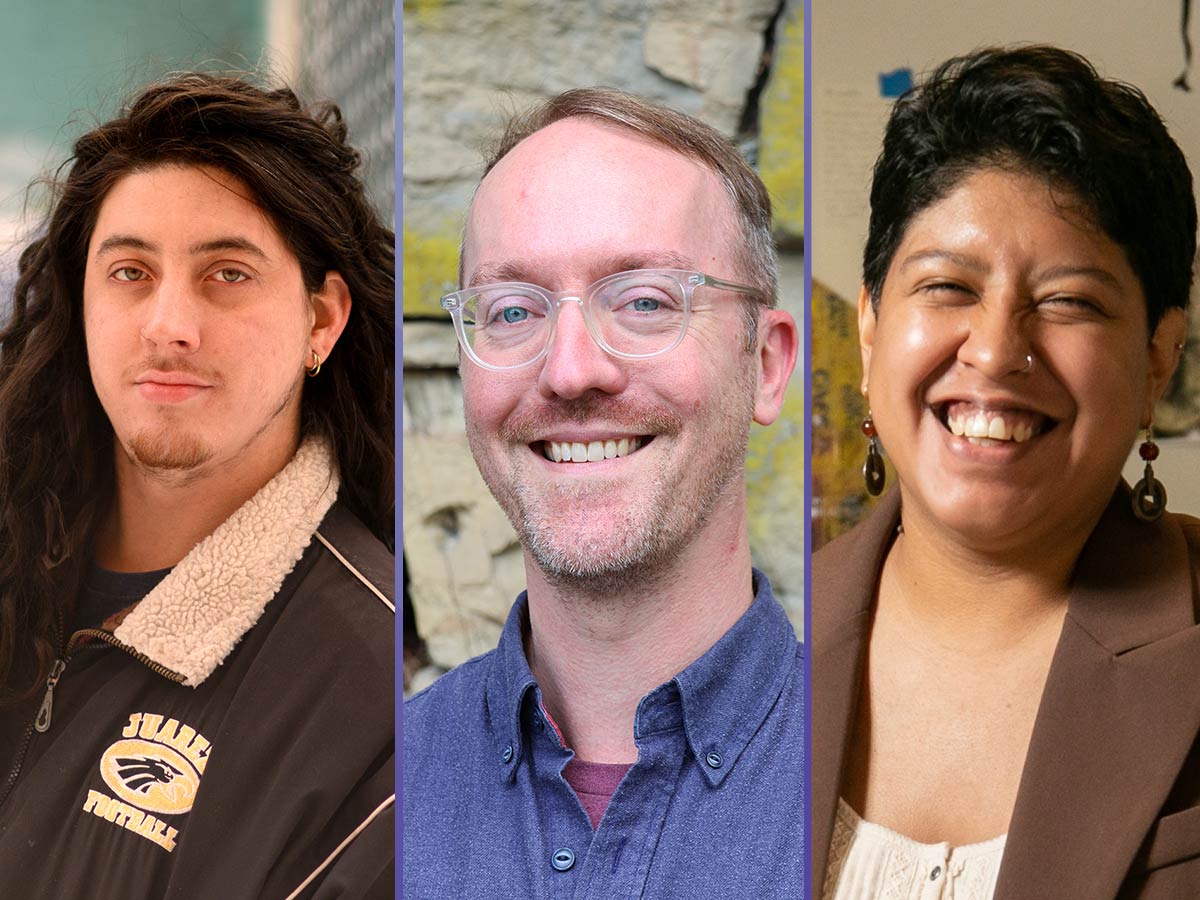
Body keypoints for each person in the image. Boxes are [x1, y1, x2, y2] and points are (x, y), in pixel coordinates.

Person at [813, 46, 1200, 900]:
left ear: (1158, 357)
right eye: (948, 285)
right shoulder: (747, 650)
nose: (995, 351)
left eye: (1068, 301)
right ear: (873, 327)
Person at [0, 75, 395, 898]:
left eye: (227, 274)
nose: (168, 324)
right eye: (130, 272)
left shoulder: (374, 700)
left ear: (321, 320)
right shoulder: (17, 538)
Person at [403, 89, 803, 896]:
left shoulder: (881, 783)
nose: (571, 369)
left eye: (645, 302)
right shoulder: (370, 784)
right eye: (513, 310)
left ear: (764, 363)